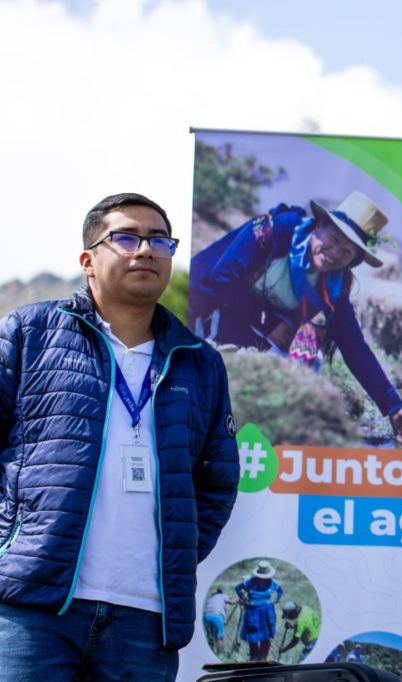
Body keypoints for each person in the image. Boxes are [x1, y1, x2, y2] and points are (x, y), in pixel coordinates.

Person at [0, 193, 239, 680]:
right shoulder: (30, 333)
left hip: (146, 620)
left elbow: (218, 481)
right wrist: (10, 538)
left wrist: (176, 549)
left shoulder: (200, 361)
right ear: (88, 261)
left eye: (159, 240)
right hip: (32, 608)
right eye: (126, 237)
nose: (145, 250)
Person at [189, 192, 402, 443]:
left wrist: (394, 406)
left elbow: (354, 346)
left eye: (347, 252)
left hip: (247, 321)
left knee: (308, 363)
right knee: (273, 363)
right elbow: (222, 277)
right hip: (201, 304)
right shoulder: (273, 230)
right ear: (318, 226)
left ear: (353, 261)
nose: (334, 253)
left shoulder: (334, 286)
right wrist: (269, 324)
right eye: (333, 239)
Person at [235, 560, 285, 662]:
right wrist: (243, 598)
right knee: (253, 636)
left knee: (266, 636)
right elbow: (238, 588)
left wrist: (277, 599)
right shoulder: (250, 581)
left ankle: (263, 658)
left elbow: (281, 590)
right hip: (253, 611)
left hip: (267, 611)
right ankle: (254, 658)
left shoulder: (272, 582)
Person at [204, 589, 239, 655]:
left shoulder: (210, 599)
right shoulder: (222, 595)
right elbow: (231, 602)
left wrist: (222, 621)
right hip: (217, 616)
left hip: (206, 616)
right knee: (219, 637)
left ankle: (210, 654)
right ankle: (220, 655)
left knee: (210, 637)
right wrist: (240, 597)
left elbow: (213, 609)